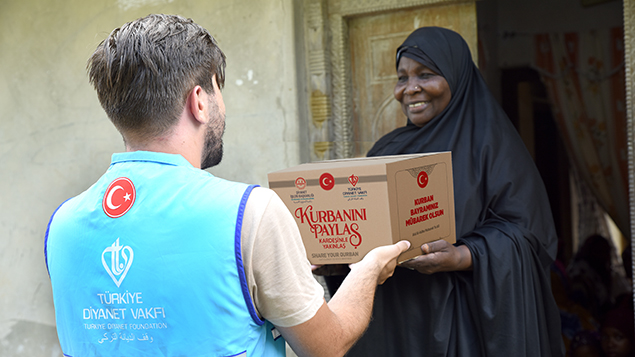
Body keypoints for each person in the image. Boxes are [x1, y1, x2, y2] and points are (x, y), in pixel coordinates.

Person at [44, 14, 410, 357]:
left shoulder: (61, 226)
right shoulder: (250, 212)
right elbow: (327, 345)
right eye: (219, 90)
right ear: (200, 101)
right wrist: (367, 270)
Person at [325, 26, 564, 356]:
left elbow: (528, 236)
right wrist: (330, 255)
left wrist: (462, 256)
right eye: (402, 77)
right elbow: (364, 226)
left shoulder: (491, 145)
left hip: (464, 324)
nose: (410, 89)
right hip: (395, 322)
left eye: (425, 74)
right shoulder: (387, 149)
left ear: (457, 76)